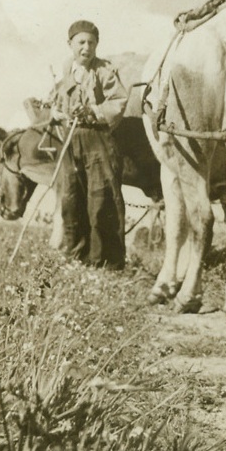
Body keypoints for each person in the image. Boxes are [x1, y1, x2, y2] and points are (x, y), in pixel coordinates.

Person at [47, 19, 129, 270]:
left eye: (91, 42)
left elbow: (119, 101)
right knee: (72, 199)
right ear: (70, 43)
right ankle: (75, 259)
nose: (86, 47)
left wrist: (93, 110)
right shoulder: (66, 71)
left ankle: (105, 264)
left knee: (101, 199)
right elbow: (56, 100)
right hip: (71, 142)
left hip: (98, 142)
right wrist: (56, 112)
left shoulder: (103, 71)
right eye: (81, 42)